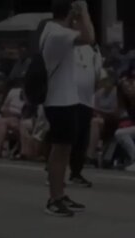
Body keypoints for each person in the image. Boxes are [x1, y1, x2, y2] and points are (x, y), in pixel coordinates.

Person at [41, 0, 95, 217]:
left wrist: (75, 16)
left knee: (63, 152)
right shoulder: (58, 34)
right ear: (69, 13)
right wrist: (84, 11)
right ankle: (54, 199)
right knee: (60, 152)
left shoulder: (51, 29)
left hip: (62, 101)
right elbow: (89, 37)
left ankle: (59, 194)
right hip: (60, 102)